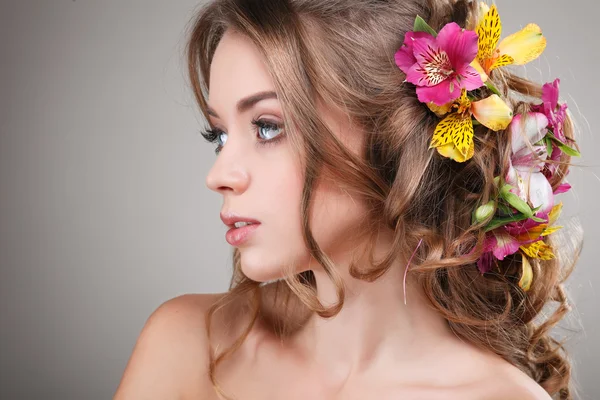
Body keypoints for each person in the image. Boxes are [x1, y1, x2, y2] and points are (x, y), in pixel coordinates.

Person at [114, 0, 583, 399]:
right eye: (218, 135)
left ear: (398, 136)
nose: (219, 176)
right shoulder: (187, 346)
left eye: (267, 127)